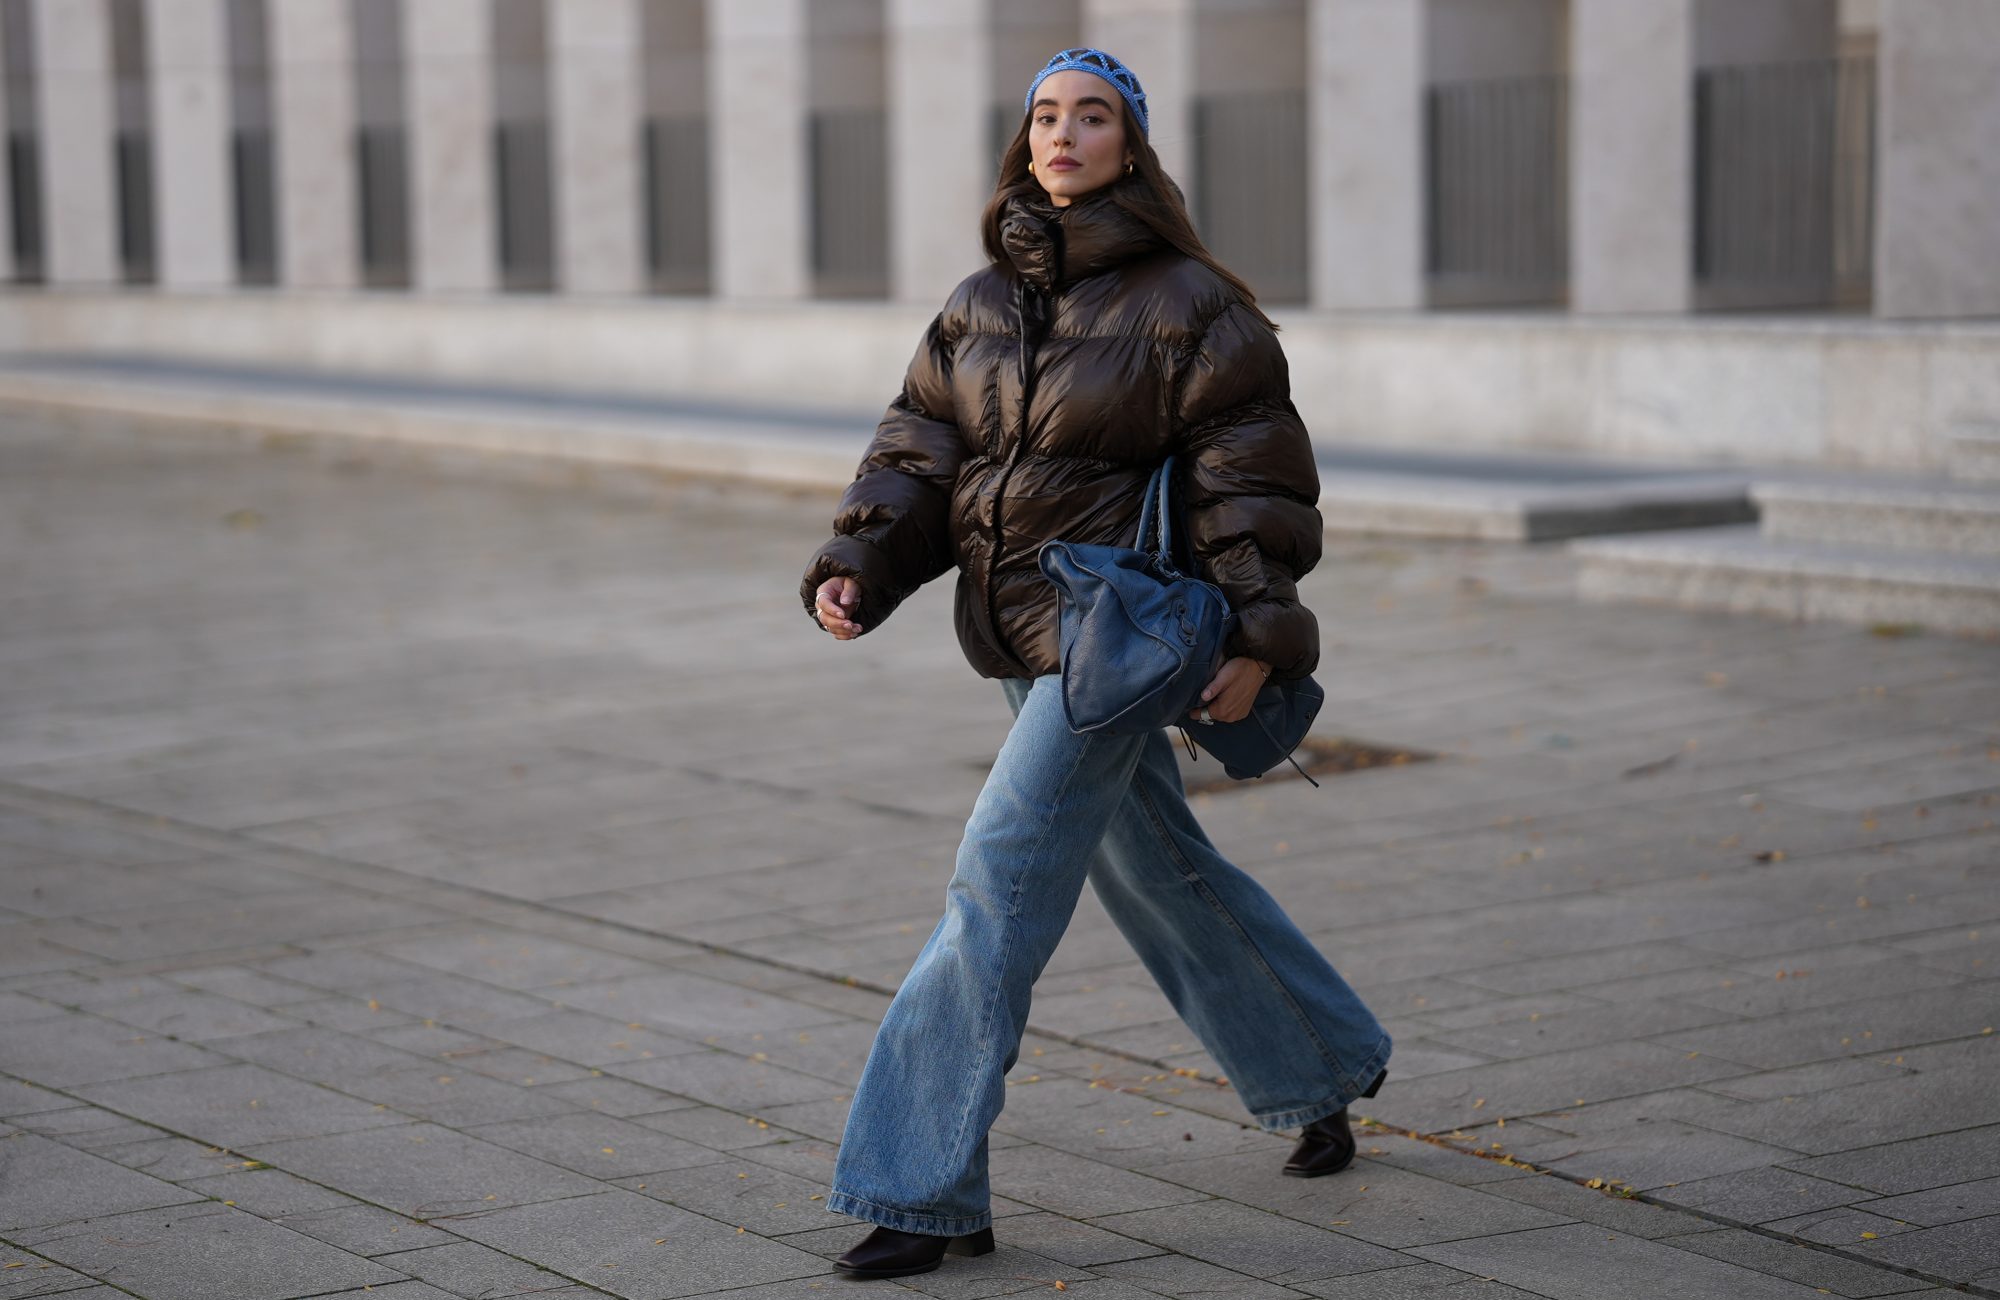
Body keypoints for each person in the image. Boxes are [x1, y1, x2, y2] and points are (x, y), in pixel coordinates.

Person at [800, 47, 1390, 1282]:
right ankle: (1317, 1063)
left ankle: (921, 1187)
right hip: (1016, 636)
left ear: (1131, 144)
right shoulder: (978, 301)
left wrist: (1253, 636)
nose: (1063, 135)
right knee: (1158, 868)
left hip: (1116, 642)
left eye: (1093, 116)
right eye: (1045, 116)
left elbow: (1251, 482)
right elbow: (916, 455)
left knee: (993, 883)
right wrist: (858, 561)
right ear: (1023, 141)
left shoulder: (1192, 304)